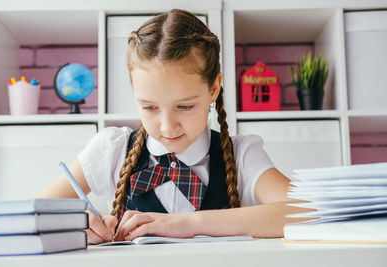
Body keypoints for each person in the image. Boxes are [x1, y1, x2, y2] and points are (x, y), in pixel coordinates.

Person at [37, 9, 308, 244]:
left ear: (213, 89)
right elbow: (35, 213)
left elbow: (306, 212)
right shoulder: (112, 149)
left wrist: (185, 224)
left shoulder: (242, 155)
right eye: (150, 107)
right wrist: (77, 222)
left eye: (185, 106)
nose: (167, 127)